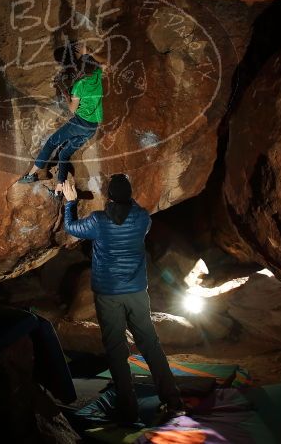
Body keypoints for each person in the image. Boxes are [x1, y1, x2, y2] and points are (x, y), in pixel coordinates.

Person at [61, 175, 184, 425]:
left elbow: (71, 228)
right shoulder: (142, 218)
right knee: (150, 344)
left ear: (109, 196)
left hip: (108, 294)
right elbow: (139, 216)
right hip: (137, 292)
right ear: (130, 195)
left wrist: (70, 202)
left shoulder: (99, 221)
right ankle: (173, 401)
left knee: (116, 349)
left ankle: (128, 410)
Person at [17, 42, 107, 195]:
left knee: (51, 143)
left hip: (79, 123)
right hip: (92, 127)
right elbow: (105, 62)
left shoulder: (79, 85)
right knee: (65, 153)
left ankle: (31, 175)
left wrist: (64, 90)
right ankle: (59, 189)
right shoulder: (98, 75)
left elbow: (72, 109)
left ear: (80, 69)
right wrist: (89, 50)